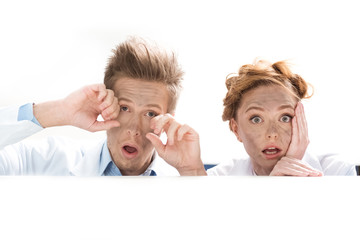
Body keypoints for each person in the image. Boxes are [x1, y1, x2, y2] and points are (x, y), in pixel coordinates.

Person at [0, 36, 205, 176]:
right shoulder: (50, 160)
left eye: (150, 113)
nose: (133, 129)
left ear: (168, 121)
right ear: (105, 105)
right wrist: (59, 111)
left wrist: (192, 172)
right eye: (124, 108)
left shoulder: (186, 179)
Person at [207, 59, 356, 176]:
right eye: (256, 119)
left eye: (285, 118)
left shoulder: (338, 172)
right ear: (236, 129)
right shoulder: (217, 178)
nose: (272, 133)